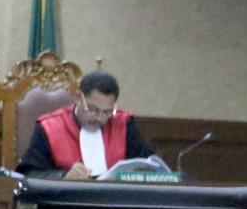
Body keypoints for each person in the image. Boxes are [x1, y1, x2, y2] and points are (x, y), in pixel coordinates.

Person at [15, 71, 155, 180]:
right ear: (78, 98)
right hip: (67, 204)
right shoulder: (49, 127)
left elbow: (149, 168)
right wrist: (64, 176)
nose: (99, 118)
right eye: (93, 109)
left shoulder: (123, 124)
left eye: (107, 112)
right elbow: (30, 175)